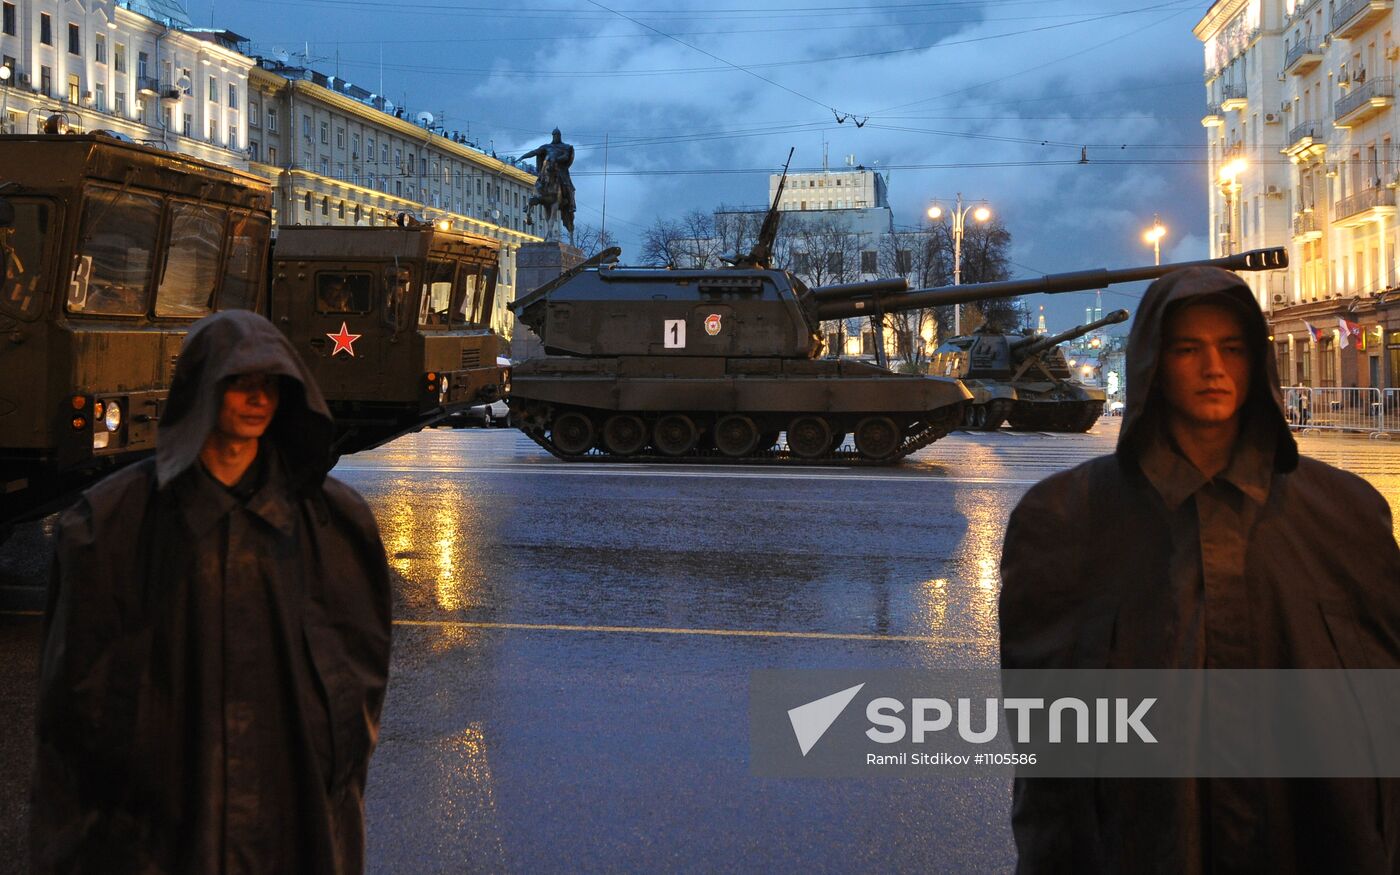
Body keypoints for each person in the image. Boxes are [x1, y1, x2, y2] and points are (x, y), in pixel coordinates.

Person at [999, 266, 1400, 873]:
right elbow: (1048, 755)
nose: (1214, 368)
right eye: (1188, 349)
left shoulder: (1345, 515)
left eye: (1233, 349)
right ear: (1154, 364)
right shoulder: (1064, 521)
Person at [31, 310, 392, 874]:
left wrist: (333, 751)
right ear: (201, 390)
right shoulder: (109, 524)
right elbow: (74, 695)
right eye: (238, 383)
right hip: (158, 826)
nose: (257, 399)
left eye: (269, 385)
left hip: (290, 813)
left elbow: (360, 665)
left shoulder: (335, 522)